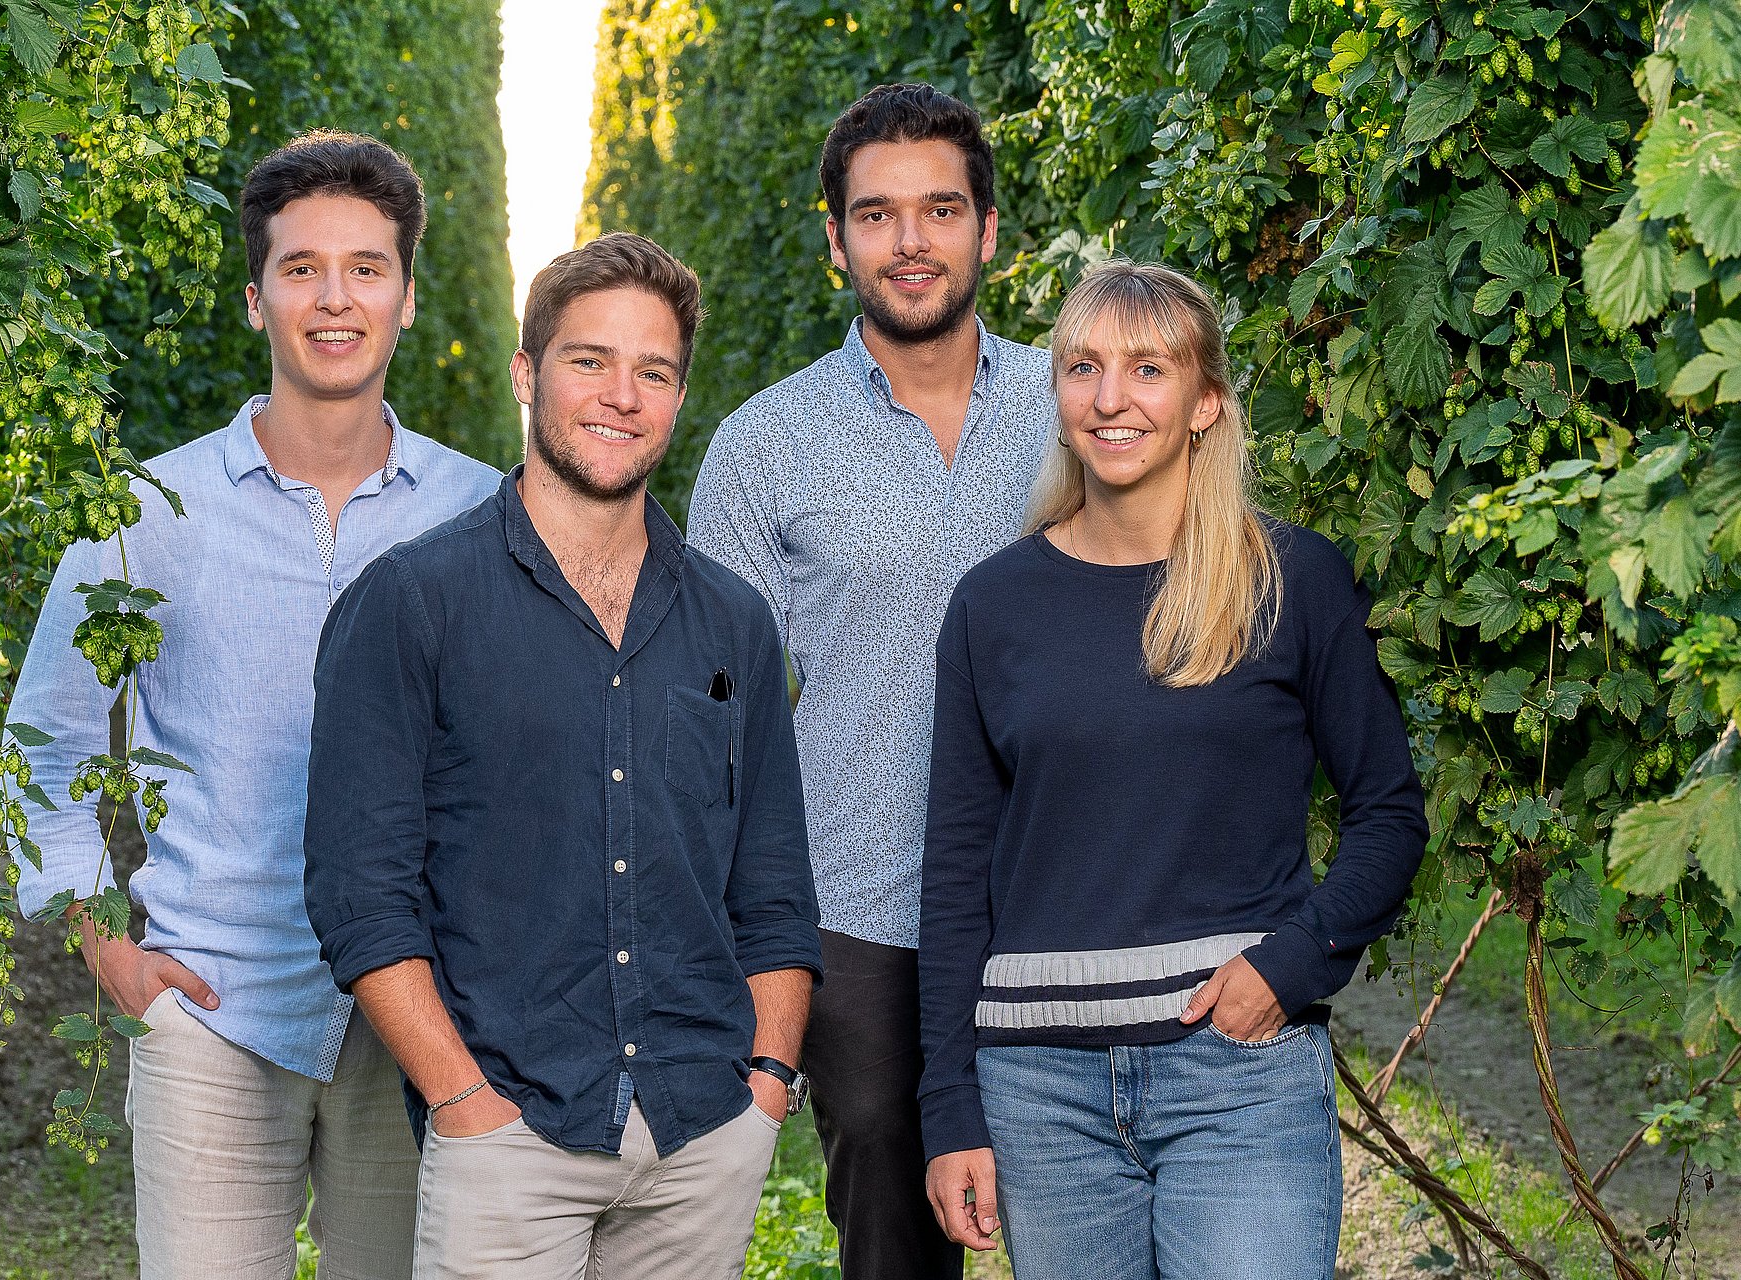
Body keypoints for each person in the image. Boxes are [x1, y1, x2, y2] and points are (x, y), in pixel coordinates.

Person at [7, 131, 501, 1280]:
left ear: (409, 297)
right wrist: (106, 949)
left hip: (419, 1022)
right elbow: (45, 744)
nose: (336, 299)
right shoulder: (147, 512)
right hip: (211, 1010)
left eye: (367, 268)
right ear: (255, 297)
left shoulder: (483, 513)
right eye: (302, 267)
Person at [302, 231, 821, 1280]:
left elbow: (772, 887)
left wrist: (768, 1080)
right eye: (590, 360)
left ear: (678, 395)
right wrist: (462, 1098)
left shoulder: (735, 622)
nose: (622, 394)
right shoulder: (413, 604)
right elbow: (361, 893)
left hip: (702, 1129)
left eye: (654, 370)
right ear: (528, 374)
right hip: (509, 1133)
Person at [917, 259, 1430, 1279]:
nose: (1111, 398)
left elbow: (1389, 812)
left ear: (1205, 401)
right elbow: (955, 872)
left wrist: (1295, 960)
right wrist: (950, 1108)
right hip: (1040, 1095)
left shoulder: (1293, 579)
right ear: (1057, 393)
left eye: (1147, 369)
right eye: (1083, 367)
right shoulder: (993, 605)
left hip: (1238, 1077)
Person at [686, 81, 1055, 1280]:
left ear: (989, 230)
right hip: (861, 912)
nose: (912, 241)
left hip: (1077, 889)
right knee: (896, 1243)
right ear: (836, 238)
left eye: (942, 208)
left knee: (1098, 1220)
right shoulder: (765, 444)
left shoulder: (1083, 406)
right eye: (878, 214)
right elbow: (714, 716)